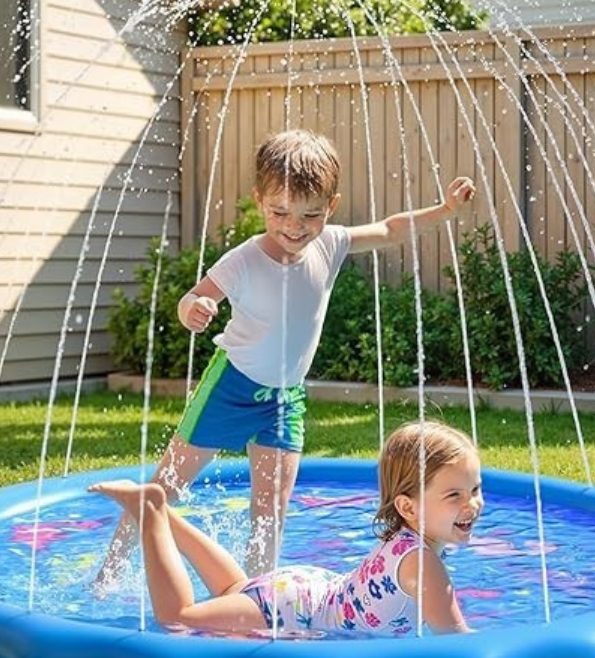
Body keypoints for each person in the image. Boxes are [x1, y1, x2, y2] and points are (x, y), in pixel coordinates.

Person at [97, 128, 475, 583]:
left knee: (272, 507)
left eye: (309, 215)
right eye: (280, 212)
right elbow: (194, 297)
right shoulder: (243, 261)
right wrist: (194, 309)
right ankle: (109, 573)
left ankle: (257, 593)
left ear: (330, 207)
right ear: (260, 202)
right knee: (166, 487)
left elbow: (391, 229)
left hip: (285, 399)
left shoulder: (331, 244)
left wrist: (446, 210)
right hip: (229, 387)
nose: (294, 227)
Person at [89, 420, 481, 636]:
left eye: (475, 490)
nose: (472, 505)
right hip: (293, 610)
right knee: (177, 617)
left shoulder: (409, 539)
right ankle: (153, 514)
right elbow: (459, 645)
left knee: (231, 590)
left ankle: (162, 513)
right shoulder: (426, 566)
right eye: (455, 495)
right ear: (407, 507)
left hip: (304, 591)